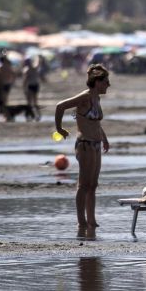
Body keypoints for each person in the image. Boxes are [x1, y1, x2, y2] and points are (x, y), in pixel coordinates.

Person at [54, 64, 111, 233]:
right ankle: (81, 222)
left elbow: (96, 123)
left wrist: (105, 139)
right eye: (106, 82)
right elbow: (60, 106)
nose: (109, 85)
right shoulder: (85, 97)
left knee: (93, 184)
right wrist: (59, 129)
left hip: (96, 144)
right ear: (97, 82)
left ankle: (91, 221)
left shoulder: (97, 98)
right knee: (83, 185)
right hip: (85, 144)